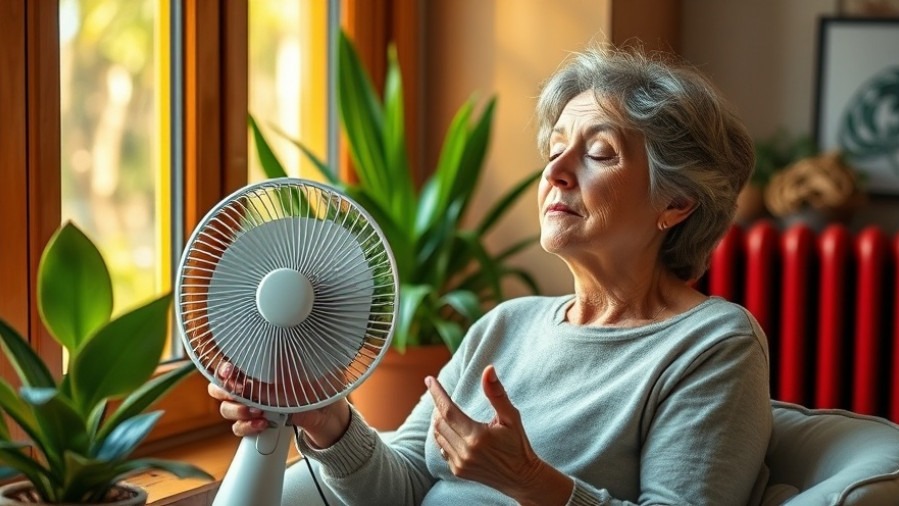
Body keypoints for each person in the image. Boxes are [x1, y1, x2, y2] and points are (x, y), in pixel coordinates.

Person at [209, 43, 772, 505]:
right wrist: (326, 416)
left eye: (598, 153)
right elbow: (401, 491)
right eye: (554, 149)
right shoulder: (506, 326)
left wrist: (530, 481)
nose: (555, 171)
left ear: (675, 203)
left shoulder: (713, 344)